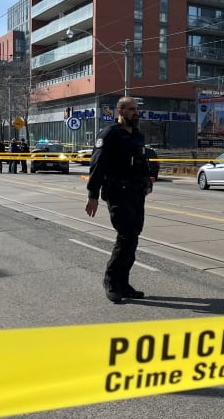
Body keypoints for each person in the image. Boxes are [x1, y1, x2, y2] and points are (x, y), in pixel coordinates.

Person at [85, 96, 153, 303]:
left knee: (133, 238)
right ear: (120, 112)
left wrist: (148, 181)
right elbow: (97, 165)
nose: (136, 112)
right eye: (131, 109)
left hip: (136, 194)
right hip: (117, 192)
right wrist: (93, 194)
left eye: (137, 109)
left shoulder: (138, 136)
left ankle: (123, 283)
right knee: (126, 236)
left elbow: (142, 161)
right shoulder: (110, 134)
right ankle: (111, 281)